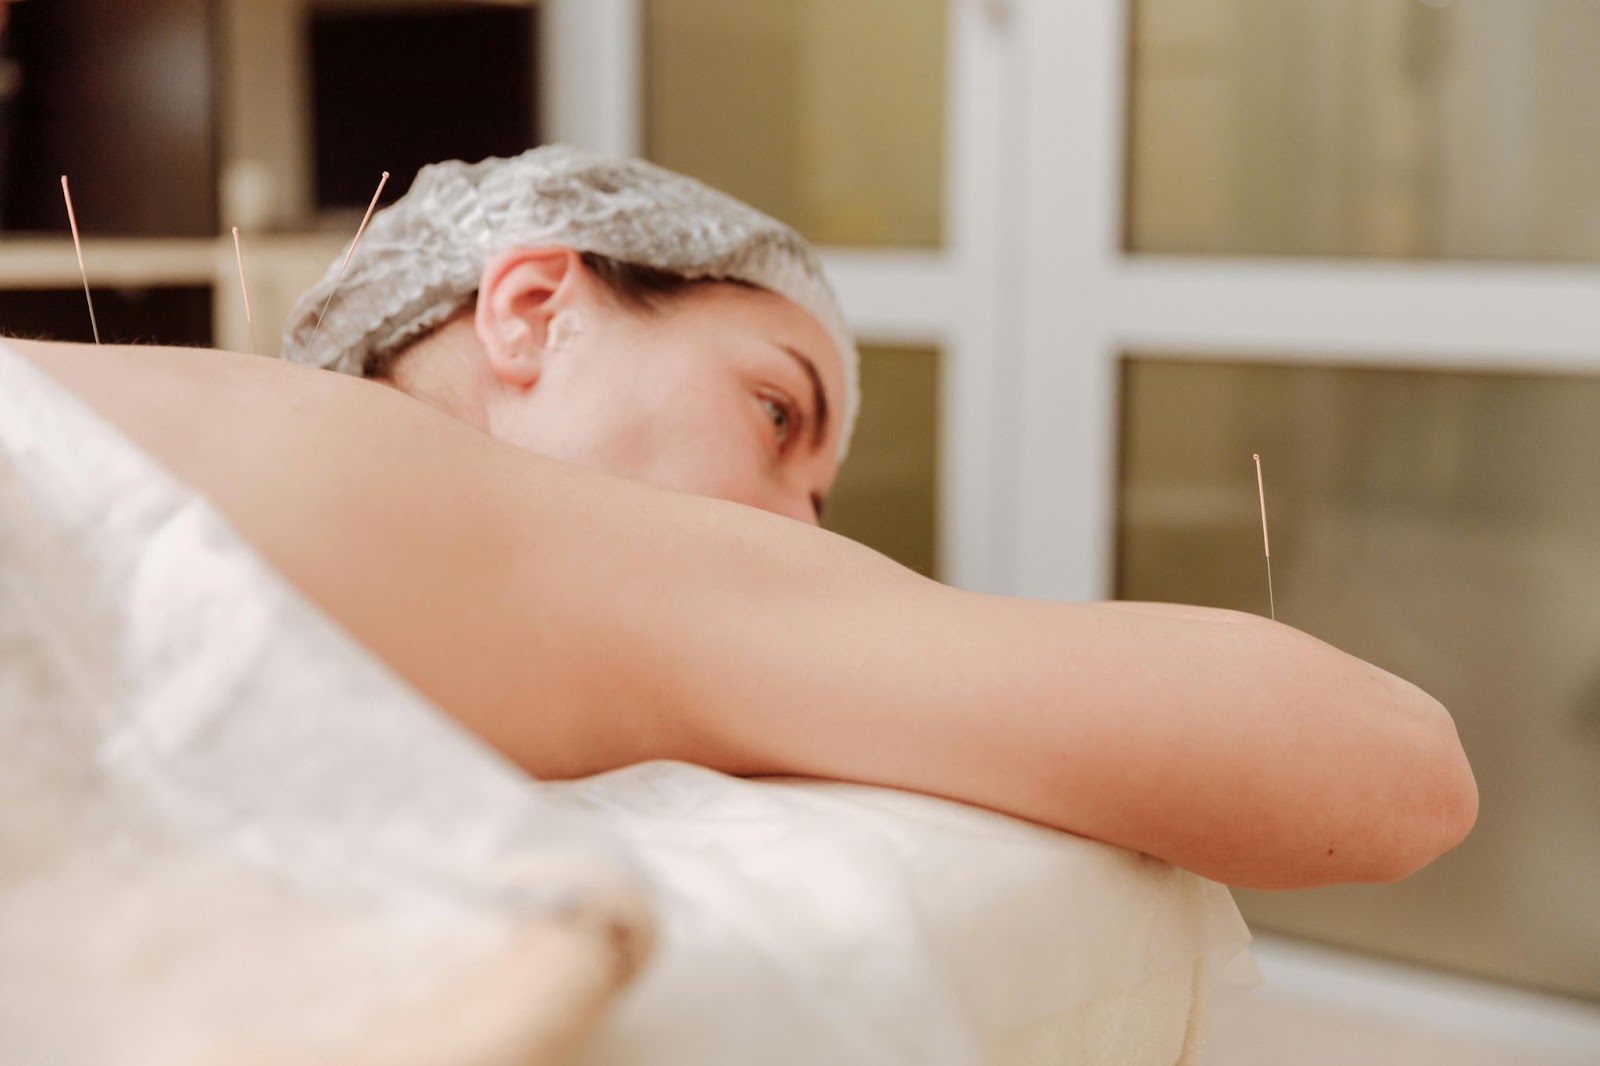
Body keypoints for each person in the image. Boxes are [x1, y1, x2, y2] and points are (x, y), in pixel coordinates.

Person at [10, 149, 1477, 892]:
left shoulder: (202, 424)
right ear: (532, 308)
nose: (803, 530)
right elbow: (1397, 767)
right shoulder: (497, 527)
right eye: (777, 414)